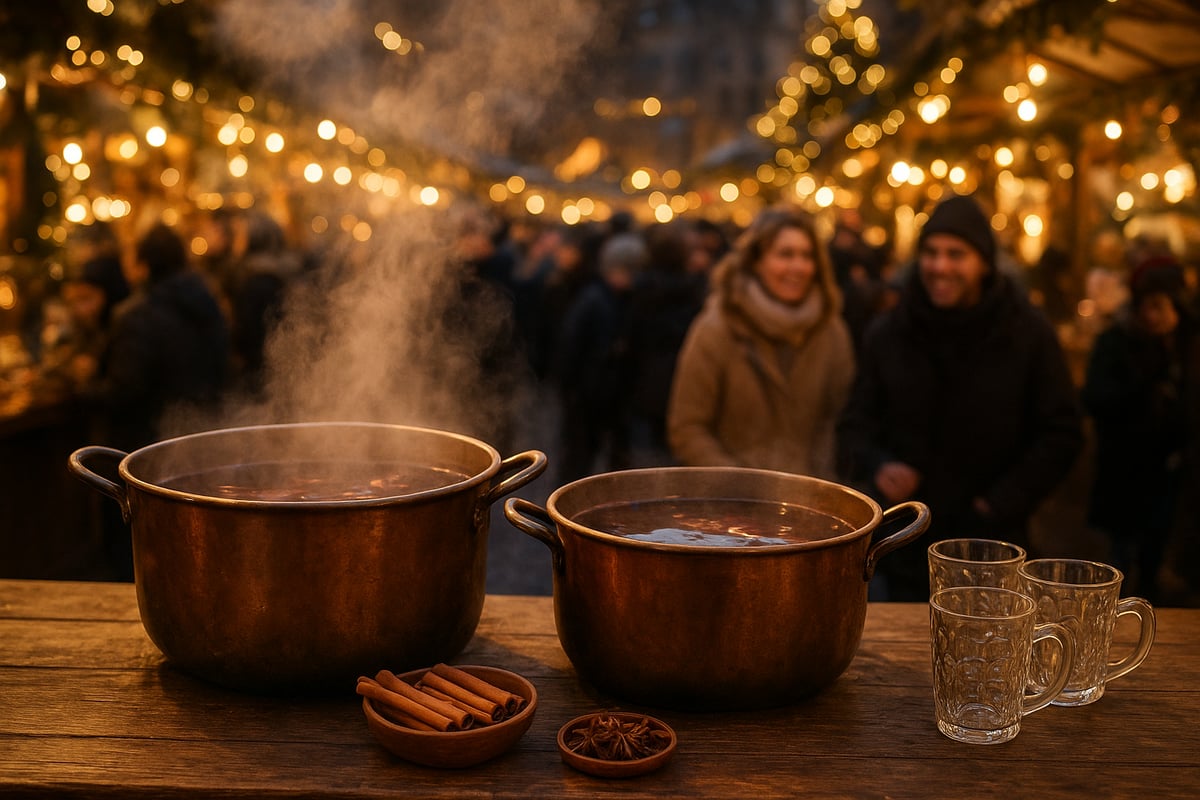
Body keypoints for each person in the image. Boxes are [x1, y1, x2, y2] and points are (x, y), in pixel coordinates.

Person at [837, 194, 1083, 600]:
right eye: (931, 253)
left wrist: (999, 501)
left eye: (956, 254)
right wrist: (880, 465)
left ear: (983, 262)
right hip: (905, 546)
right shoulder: (889, 332)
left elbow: (1061, 431)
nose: (940, 267)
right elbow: (855, 421)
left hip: (993, 548)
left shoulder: (1026, 332)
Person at [667, 205, 854, 477]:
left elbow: (840, 417)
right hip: (732, 503)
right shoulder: (717, 327)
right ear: (756, 261)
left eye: (807, 255)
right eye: (785, 254)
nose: (798, 267)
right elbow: (687, 428)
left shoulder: (831, 329)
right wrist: (745, 488)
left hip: (811, 501)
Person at [1083, 257, 1199, 603]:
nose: (1152, 316)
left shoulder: (1189, 345)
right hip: (1126, 468)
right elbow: (1096, 398)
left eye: (1159, 306)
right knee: (1119, 558)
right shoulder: (1117, 342)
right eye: (1145, 306)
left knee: (1156, 558)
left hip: (1174, 473)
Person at [555, 231, 648, 482]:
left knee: (612, 458)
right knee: (578, 459)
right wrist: (572, 392)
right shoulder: (593, 299)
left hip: (612, 393)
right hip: (588, 394)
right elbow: (571, 347)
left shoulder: (623, 299)